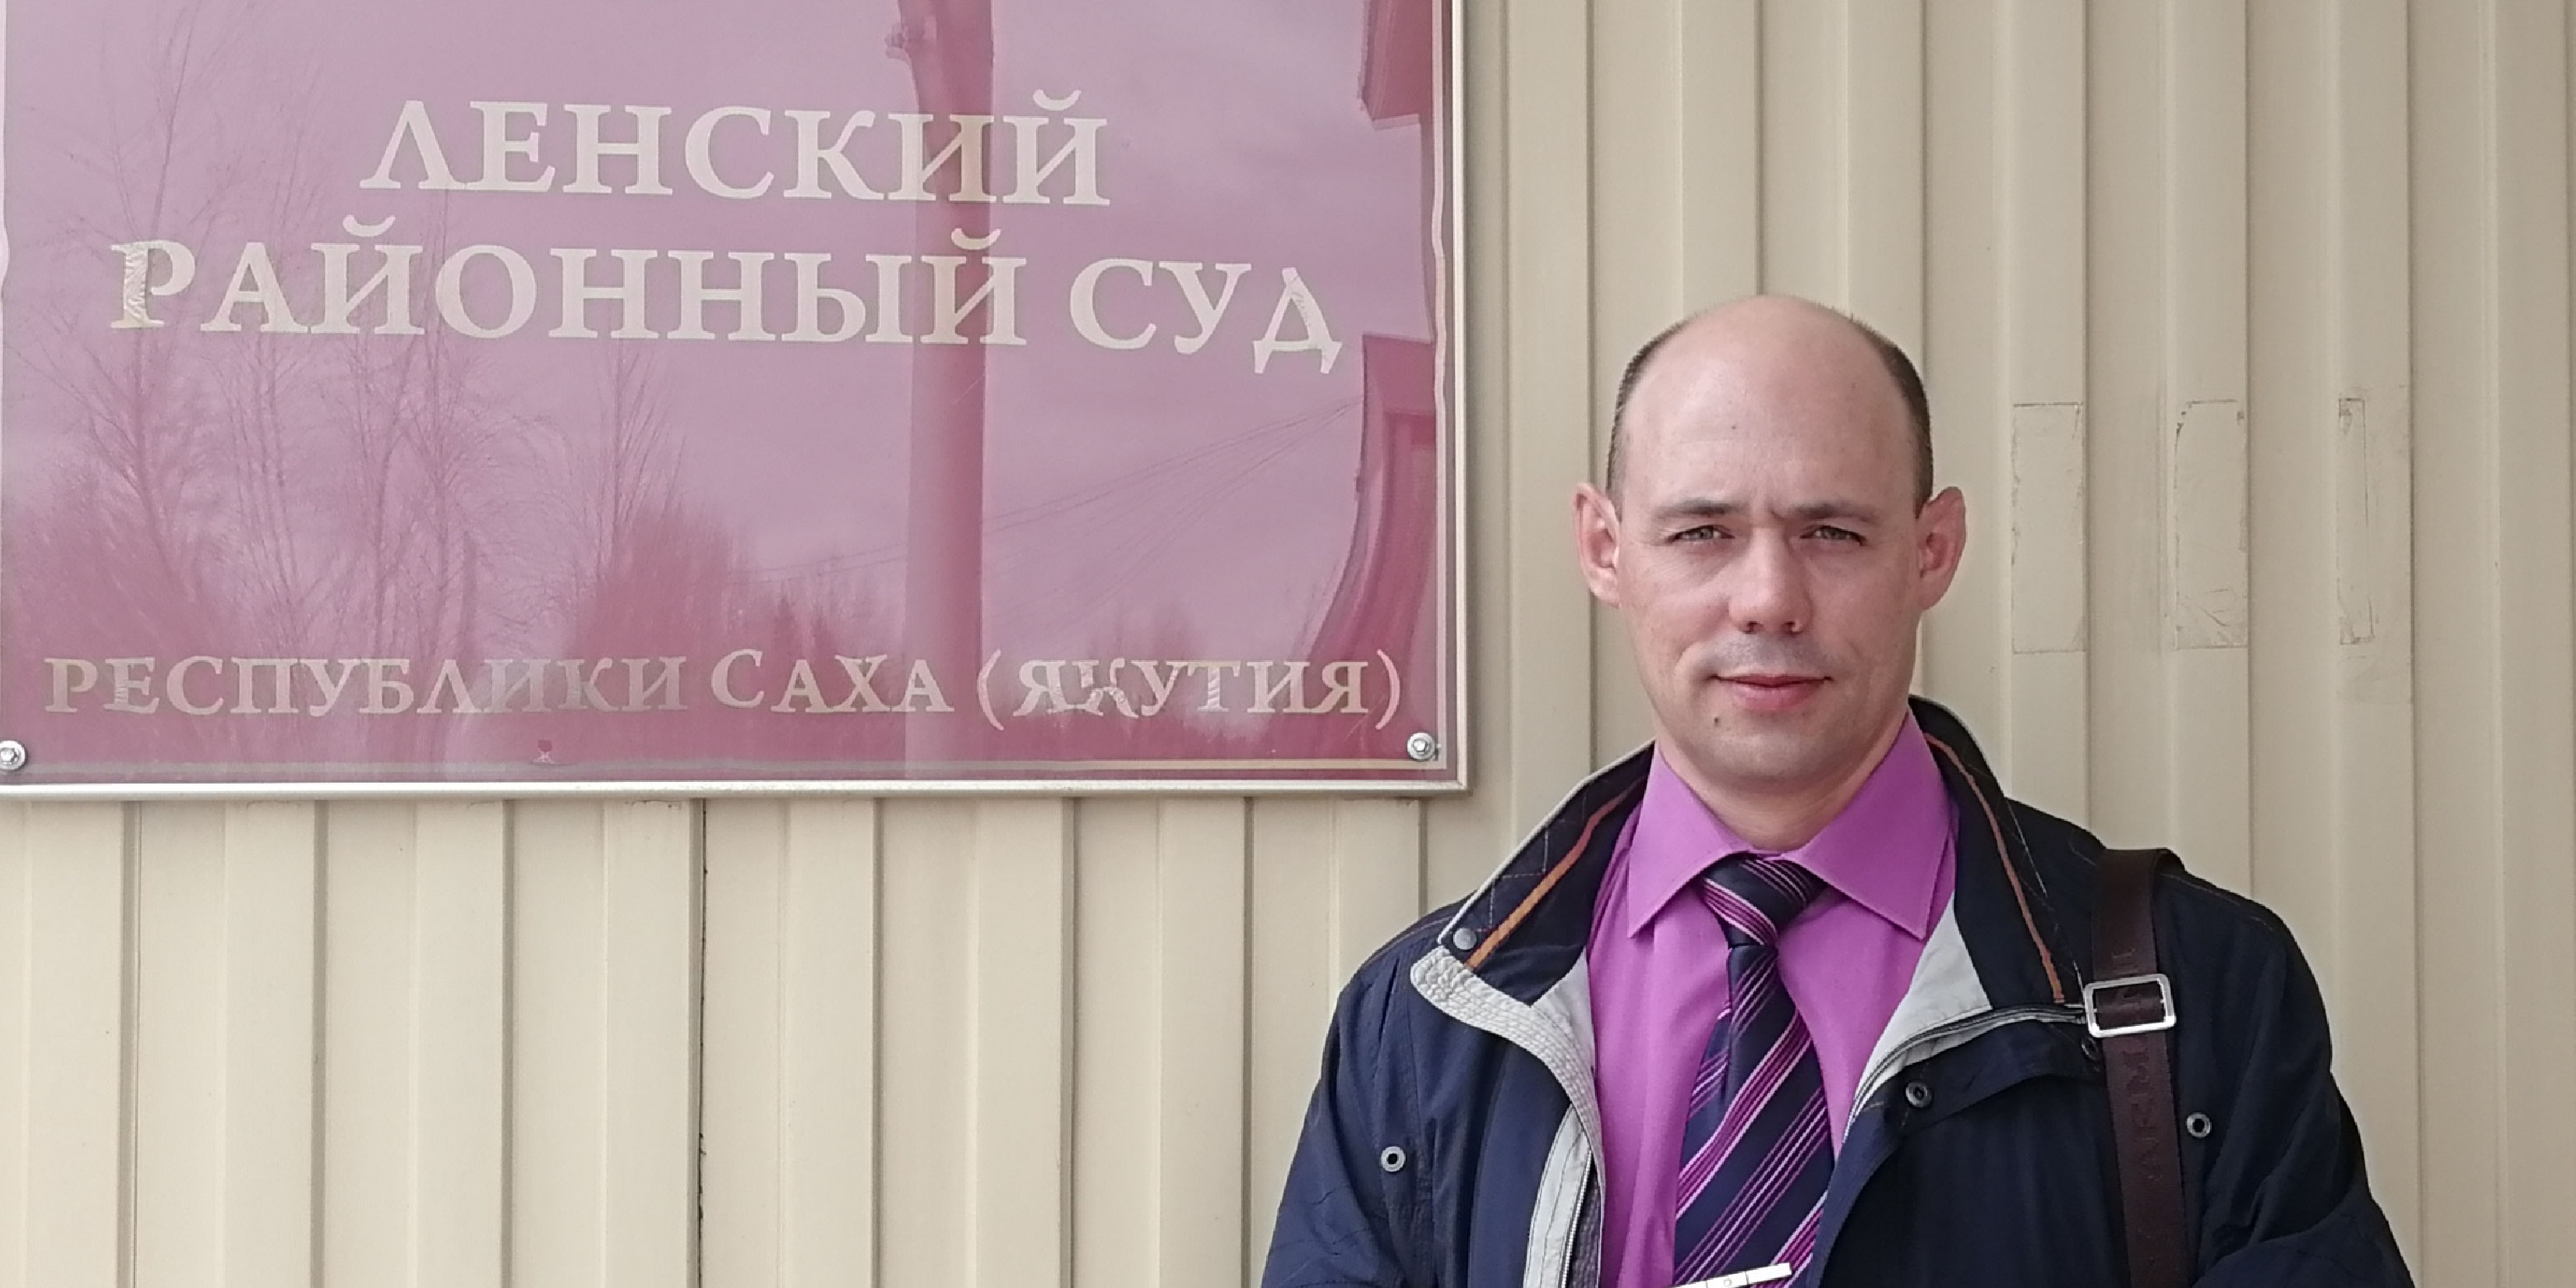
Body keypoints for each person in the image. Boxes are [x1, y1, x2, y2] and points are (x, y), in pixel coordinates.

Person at [1258, 296, 2413, 1287]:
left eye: (1831, 531)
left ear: (1931, 548)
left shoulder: (2201, 990)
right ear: (1604, 547)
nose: (1768, 598)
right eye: (1702, 531)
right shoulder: (1423, 1022)